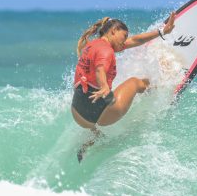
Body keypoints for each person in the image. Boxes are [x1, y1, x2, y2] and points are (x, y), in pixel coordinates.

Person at [72, 14, 175, 160]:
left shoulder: (93, 45)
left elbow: (135, 40)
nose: (126, 40)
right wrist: (104, 87)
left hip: (78, 114)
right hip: (101, 115)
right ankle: (161, 88)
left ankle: (91, 140)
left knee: (96, 116)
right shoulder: (106, 51)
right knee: (134, 82)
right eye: (124, 35)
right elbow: (100, 69)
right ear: (113, 31)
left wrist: (162, 31)